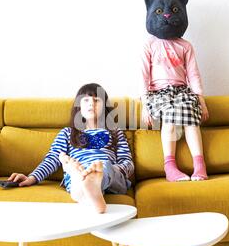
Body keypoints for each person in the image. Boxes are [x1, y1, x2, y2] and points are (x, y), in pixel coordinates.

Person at [7, 83, 134, 213]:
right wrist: (32, 178)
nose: (91, 103)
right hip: (80, 170)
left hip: (110, 176)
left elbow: (127, 162)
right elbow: (52, 159)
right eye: (86, 100)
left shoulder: (114, 132)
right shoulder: (68, 133)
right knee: (77, 173)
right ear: (79, 107)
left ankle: (91, 182)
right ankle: (89, 188)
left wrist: (113, 169)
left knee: (103, 167)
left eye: (96, 100)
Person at [141, 0, 210, 182]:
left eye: (173, 10)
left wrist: (201, 100)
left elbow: (194, 74)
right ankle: (170, 167)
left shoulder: (185, 46)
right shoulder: (150, 45)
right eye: (160, 11)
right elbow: (143, 75)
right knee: (170, 119)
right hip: (159, 93)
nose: (167, 15)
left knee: (192, 121)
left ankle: (199, 165)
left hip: (182, 92)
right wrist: (145, 104)